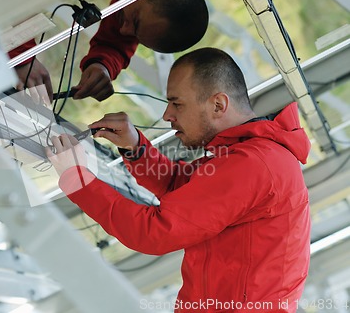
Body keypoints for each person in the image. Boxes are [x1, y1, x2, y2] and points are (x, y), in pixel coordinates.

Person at [46, 47, 311, 312]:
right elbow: (181, 187)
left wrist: (77, 179)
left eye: (177, 103)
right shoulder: (250, 154)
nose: (167, 115)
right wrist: (136, 147)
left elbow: (153, 232)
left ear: (218, 105)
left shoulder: (254, 164)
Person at [10, 0, 208, 102]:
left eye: (135, 34)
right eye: (136, 21)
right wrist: (22, 54)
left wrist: (102, 65)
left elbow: (118, 40)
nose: (123, 29)